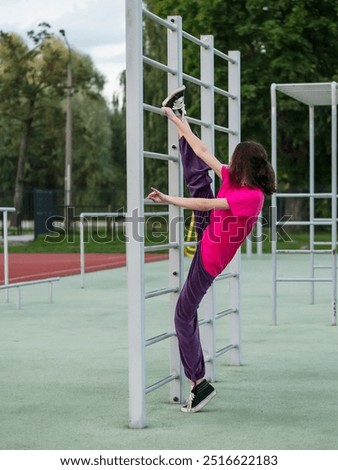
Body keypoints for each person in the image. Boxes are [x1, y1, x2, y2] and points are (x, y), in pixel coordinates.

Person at [147, 86, 276, 413]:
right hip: (210, 232)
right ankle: (180, 110)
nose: (230, 163)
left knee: (183, 314)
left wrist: (166, 200)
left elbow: (205, 203)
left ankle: (198, 383)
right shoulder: (237, 178)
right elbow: (204, 151)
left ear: (244, 164)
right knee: (200, 177)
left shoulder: (252, 196)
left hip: (211, 256)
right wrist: (176, 120)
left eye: (235, 160)